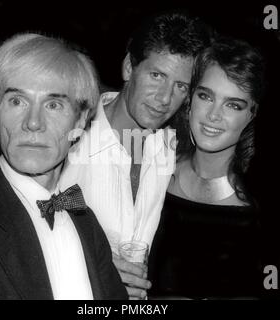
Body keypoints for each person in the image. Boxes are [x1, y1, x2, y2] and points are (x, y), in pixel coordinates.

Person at [59, 11, 211, 299]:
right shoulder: (70, 139)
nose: (165, 98)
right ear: (129, 67)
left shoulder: (171, 145)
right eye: (157, 75)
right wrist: (94, 267)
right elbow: (28, 224)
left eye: (181, 86)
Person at [0, 33, 127, 300]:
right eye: (17, 101)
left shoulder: (85, 220)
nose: (33, 122)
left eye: (53, 105)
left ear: (80, 122)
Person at [148, 37, 265, 299]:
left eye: (233, 105)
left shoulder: (257, 209)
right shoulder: (151, 171)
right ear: (190, 101)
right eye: (205, 96)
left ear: (253, 114)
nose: (213, 115)